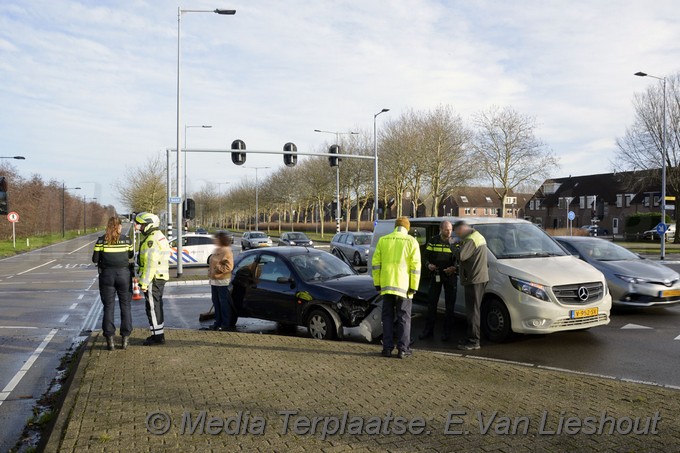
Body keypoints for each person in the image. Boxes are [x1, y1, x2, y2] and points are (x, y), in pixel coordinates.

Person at [372, 216, 421, 359]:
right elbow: (415, 267)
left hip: (386, 286)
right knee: (404, 318)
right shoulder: (412, 242)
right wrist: (414, 286)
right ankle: (403, 349)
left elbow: (376, 264)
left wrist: (377, 284)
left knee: (387, 317)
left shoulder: (383, 240)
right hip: (404, 287)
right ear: (407, 227)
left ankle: (387, 348)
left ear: (395, 226)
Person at [92, 217, 134, 351]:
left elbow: (95, 259)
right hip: (123, 275)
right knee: (125, 306)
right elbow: (131, 255)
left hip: (107, 276)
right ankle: (125, 338)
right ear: (119, 227)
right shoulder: (127, 240)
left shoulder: (101, 240)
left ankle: (110, 339)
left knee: (108, 307)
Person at [134, 212, 170, 346]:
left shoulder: (151, 240)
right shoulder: (159, 236)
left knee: (152, 307)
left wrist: (144, 282)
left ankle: (157, 337)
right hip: (159, 277)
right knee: (157, 306)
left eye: (141, 225)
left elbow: (151, 263)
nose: (139, 227)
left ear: (149, 225)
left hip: (153, 279)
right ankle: (158, 333)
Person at [453, 220, 489, 350]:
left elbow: (461, 256)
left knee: (473, 312)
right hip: (478, 278)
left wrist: (453, 245)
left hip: (474, 279)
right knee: (474, 310)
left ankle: (474, 341)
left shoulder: (471, 240)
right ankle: (471, 337)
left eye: (457, 232)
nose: (457, 235)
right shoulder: (476, 236)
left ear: (461, 229)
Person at [419, 220, 457, 342]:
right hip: (436, 274)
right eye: (447, 229)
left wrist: (455, 268)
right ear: (441, 229)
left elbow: (461, 258)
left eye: (451, 229)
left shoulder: (455, 242)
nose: (449, 232)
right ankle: (428, 331)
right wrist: (428, 265)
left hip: (450, 276)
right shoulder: (433, 241)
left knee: (450, 306)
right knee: (432, 304)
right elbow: (425, 256)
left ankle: (447, 333)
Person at [208, 232, 234, 331]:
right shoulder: (216, 250)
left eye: (216, 239)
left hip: (222, 280)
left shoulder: (227, 251)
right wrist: (210, 271)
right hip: (214, 280)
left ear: (221, 240)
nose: (214, 240)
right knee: (216, 302)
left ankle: (225, 323)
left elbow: (229, 266)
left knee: (223, 303)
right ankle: (217, 322)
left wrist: (217, 268)